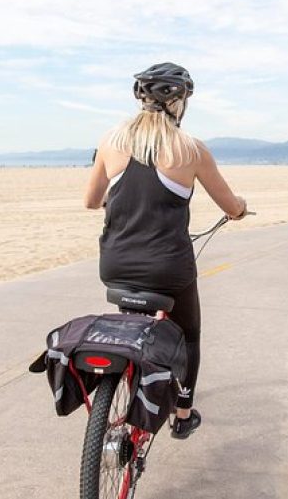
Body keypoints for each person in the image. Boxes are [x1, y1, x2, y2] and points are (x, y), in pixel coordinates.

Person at [84, 62, 247, 439]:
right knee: (188, 335)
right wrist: (239, 208)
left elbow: (91, 201)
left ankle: (134, 377)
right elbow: (229, 205)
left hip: (115, 264)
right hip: (169, 269)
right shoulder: (191, 149)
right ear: (180, 102)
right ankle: (183, 413)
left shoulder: (111, 141)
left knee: (133, 322)